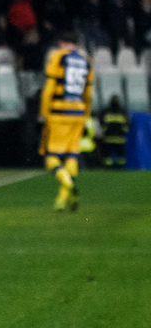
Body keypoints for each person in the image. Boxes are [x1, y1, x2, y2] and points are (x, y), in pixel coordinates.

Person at [39, 30, 93, 211]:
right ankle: (62, 200)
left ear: (62, 43)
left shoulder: (58, 56)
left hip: (59, 112)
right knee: (72, 156)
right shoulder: (87, 60)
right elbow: (88, 92)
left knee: (51, 159)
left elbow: (50, 86)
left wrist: (44, 111)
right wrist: (86, 113)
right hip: (78, 113)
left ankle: (68, 185)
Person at [100, 95, 129, 168]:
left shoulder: (106, 111)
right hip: (119, 137)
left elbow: (102, 123)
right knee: (119, 154)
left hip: (109, 137)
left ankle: (109, 167)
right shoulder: (123, 111)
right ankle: (119, 167)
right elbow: (127, 124)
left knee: (108, 154)